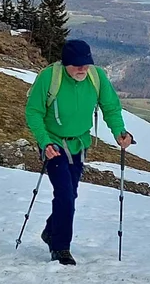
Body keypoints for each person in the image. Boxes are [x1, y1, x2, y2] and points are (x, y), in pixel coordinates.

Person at [24, 37, 132, 265]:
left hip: (79, 144)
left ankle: (50, 230)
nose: (83, 68)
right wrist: (44, 142)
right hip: (53, 144)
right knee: (64, 194)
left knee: (70, 195)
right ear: (65, 63)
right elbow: (33, 111)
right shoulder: (49, 78)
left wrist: (119, 131)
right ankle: (60, 248)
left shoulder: (96, 77)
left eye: (86, 63)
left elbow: (110, 106)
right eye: (77, 64)